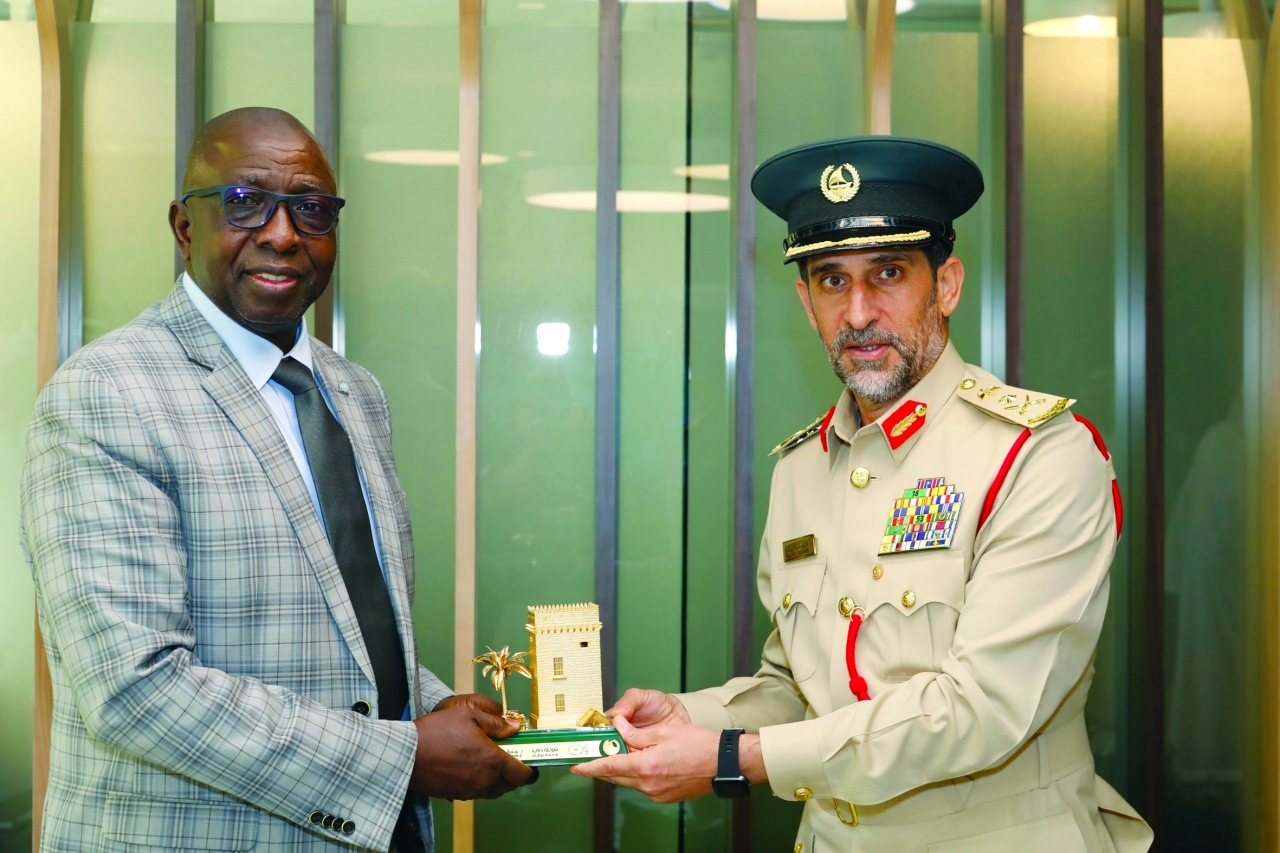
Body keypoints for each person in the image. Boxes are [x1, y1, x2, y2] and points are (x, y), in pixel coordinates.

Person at [574, 136, 1154, 852]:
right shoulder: (802, 467)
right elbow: (800, 686)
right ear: (805, 301)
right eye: (831, 280)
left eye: (887, 273)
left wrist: (735, 758)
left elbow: (983, 709)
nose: (857, 313)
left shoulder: (1038, 454)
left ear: (946, 285)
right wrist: (691, 718)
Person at [21, 107, 536, 853]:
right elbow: (134, 688)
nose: (283, 233)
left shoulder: (353, 391)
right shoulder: (109, 393)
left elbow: (345, 631)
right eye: (244, 202)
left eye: (311, 208)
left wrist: (436, 708)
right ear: (184, 226)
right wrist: (404, 755)